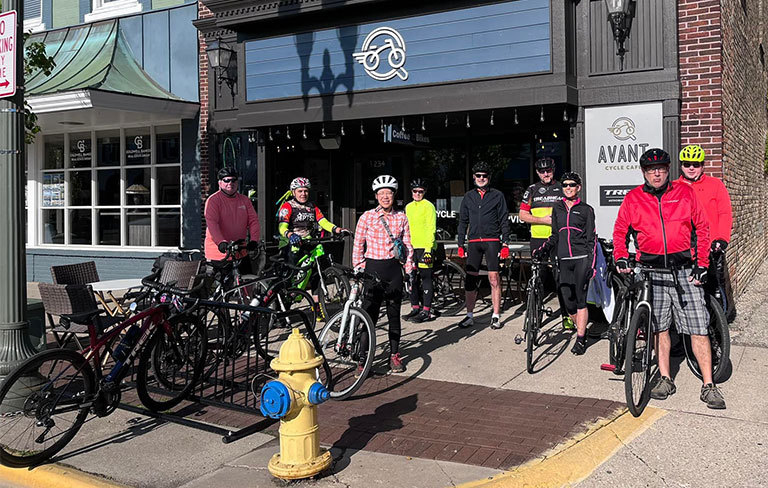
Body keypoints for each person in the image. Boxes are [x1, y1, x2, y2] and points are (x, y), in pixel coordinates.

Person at [613, 148, 725, 409]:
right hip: (652, 273)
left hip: (685, 271)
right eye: (651, 169)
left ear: (668, 170)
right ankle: (665, 378)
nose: (657, 172)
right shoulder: (633, 198)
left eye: (662, 168)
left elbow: (703, 228)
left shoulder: (684, 193)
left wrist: (702, 263)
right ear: (643, 172)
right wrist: (620, 256)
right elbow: (620, 231)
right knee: (659, 328)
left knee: (698, 327)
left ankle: (709, 385)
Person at [352, 175, 414, 373]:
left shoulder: (401, 217)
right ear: (376, 196)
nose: (385, 197)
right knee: (369, 316)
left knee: (394, 315)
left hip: (393, 270)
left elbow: (408, 245)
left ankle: (394, 355)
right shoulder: (367, 217)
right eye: (381, 193)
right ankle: (363, 359)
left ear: (394, 195)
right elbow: (358, 244)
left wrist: (409, 269)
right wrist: (359, 267)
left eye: (389, 193)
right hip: (372, 269)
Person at [532, 172, 596, 355]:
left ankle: (581, 339)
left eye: (572, 185)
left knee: (581, 299)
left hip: (581, 258)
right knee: (568, 302)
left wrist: (591, 263)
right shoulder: (557, 208)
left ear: (579, 188)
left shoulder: (586, 210)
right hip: (563, 260)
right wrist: (543, 248)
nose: (568, 187)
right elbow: (554, 235)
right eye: (565, 185)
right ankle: (580, 328)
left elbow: (591, 239)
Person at [677, 144, 735, 322]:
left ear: (703, 166)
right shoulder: (674, 187)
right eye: (687, 164)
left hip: (710, 246)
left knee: (713, 289)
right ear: (681, 165)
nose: (691, 167)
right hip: (684, 248)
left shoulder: (715, 185)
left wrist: (722, 238)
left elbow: (724, 213)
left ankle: (718, 328)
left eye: (696, 164)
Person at [456, 162, 511, 330]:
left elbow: (504, 219)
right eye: (478, 175)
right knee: (470, 280)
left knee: (494, 278)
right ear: (474, 177)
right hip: (473, 242)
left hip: (492, 241)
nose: (481, 178)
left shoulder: (497, 195)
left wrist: (505, 243)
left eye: (484, 176)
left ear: (489, 178)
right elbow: (462, 221)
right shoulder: (468, 196)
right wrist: (460, 243)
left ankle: (495, 316)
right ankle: (469, 315)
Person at [519, 157, 571, 330]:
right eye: (542, 171)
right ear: (537, 173)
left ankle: (567, 316)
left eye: (548, 170)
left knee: (561, 278)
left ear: (553, 170)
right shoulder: (532, 190)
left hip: (559, 239)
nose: (546, 173)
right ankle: (535, 313)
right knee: (538, 277)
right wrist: (543, 220)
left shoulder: (562, 188)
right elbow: (522, 215)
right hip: (538, 240)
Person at [204, 167, 260, 271]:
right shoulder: (213, 200)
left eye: (233, 180)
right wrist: (221, 241)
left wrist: (254, 240)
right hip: (219, 252)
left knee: (247, 283)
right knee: (222, 285)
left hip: (240, 250)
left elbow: (253, 221)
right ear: (220, 183)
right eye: (226, 180)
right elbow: (212, 224)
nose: (230, 183)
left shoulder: (244, 200)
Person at [277, 177, 347, 255]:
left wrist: (337, 229)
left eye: (306, 191)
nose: (303, 194)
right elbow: (282, 227)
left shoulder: (313, 207)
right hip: (290, 243)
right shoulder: (287, 206)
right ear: (293, 193)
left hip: (307, 241)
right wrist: (290, 235)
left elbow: (323, 222)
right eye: (300, 191)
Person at [403, 178, 437, 323]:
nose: (418, 194)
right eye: (415, 191)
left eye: (420, 191)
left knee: (426, 277)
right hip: (411, 247)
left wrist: (428, 249)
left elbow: (431, 227)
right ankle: (415, 307)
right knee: (412, 278)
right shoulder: (408, 207)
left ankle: (427, 311)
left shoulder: (429, 206)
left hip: (425, 247)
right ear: (411, 192)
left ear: (424, 192)